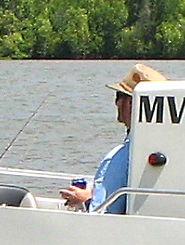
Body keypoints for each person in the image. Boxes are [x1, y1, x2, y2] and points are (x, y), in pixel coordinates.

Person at [61, 63, 164, 214]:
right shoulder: (165, 147)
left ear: (130, 103)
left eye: (118, 96)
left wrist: (84, 199)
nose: (116, 103)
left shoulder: (120, 156)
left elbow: (101, 213)